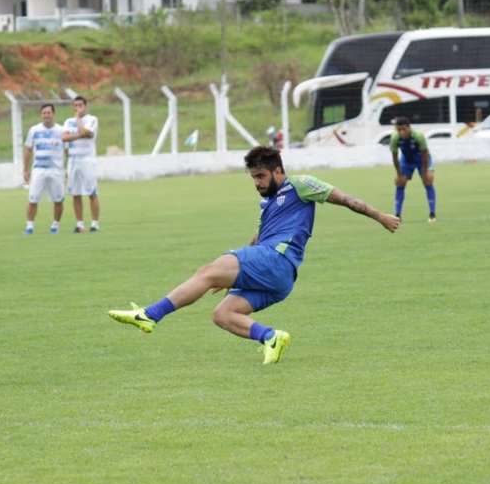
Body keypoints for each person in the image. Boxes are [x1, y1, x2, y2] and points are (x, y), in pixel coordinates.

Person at [108, 146, 400, 364]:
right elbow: (259, 238)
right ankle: (271, 337)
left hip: (277, 260)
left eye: (261, 176)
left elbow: (347, 199)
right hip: (279, 277)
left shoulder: (300, 185)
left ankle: (150, 315)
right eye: (253, 178)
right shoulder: (268, 203)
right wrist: (231, 270)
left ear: (277, 171)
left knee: (206, 272)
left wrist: (380, 216)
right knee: (223, 314)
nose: (257, 183)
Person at [23, 104, 66, 235]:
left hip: (56, 170)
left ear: (53, 114)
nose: (46, 115)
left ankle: (55, 225)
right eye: (44, 113)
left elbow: (68, 150)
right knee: (33, 199)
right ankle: (29, 226)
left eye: (48, 113)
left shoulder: (62, 130)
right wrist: (25, 169)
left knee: (58, 200)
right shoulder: (34, 130)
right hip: (38, 170)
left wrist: (68, 168)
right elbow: (28, 149)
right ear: (41, 115)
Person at [62, 95, 100, 233]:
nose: (78, 108)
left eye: (80, 105)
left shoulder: (92, 119)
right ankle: (80, 224)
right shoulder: (67, 121)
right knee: (75, 193)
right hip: (73, 160)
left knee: (91, 192)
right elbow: (64, 137)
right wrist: (78, 135)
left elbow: (87, 133)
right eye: (75, 105)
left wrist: (78, 119)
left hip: (87, 160)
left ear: (85, 106)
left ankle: (95, 223)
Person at [390, 116, 437, 223]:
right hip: (406, 160)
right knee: (400, 183)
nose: (401, 132)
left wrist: (425, 171)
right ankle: (397, 214)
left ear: (409, 127)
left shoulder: (418, 136)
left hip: (422, 159)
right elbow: (394, 157)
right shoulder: (395, 138)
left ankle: (432, 213)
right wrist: (398, 174)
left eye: (403, 129)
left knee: (428, 181)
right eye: (398, 130)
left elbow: (425, 154)